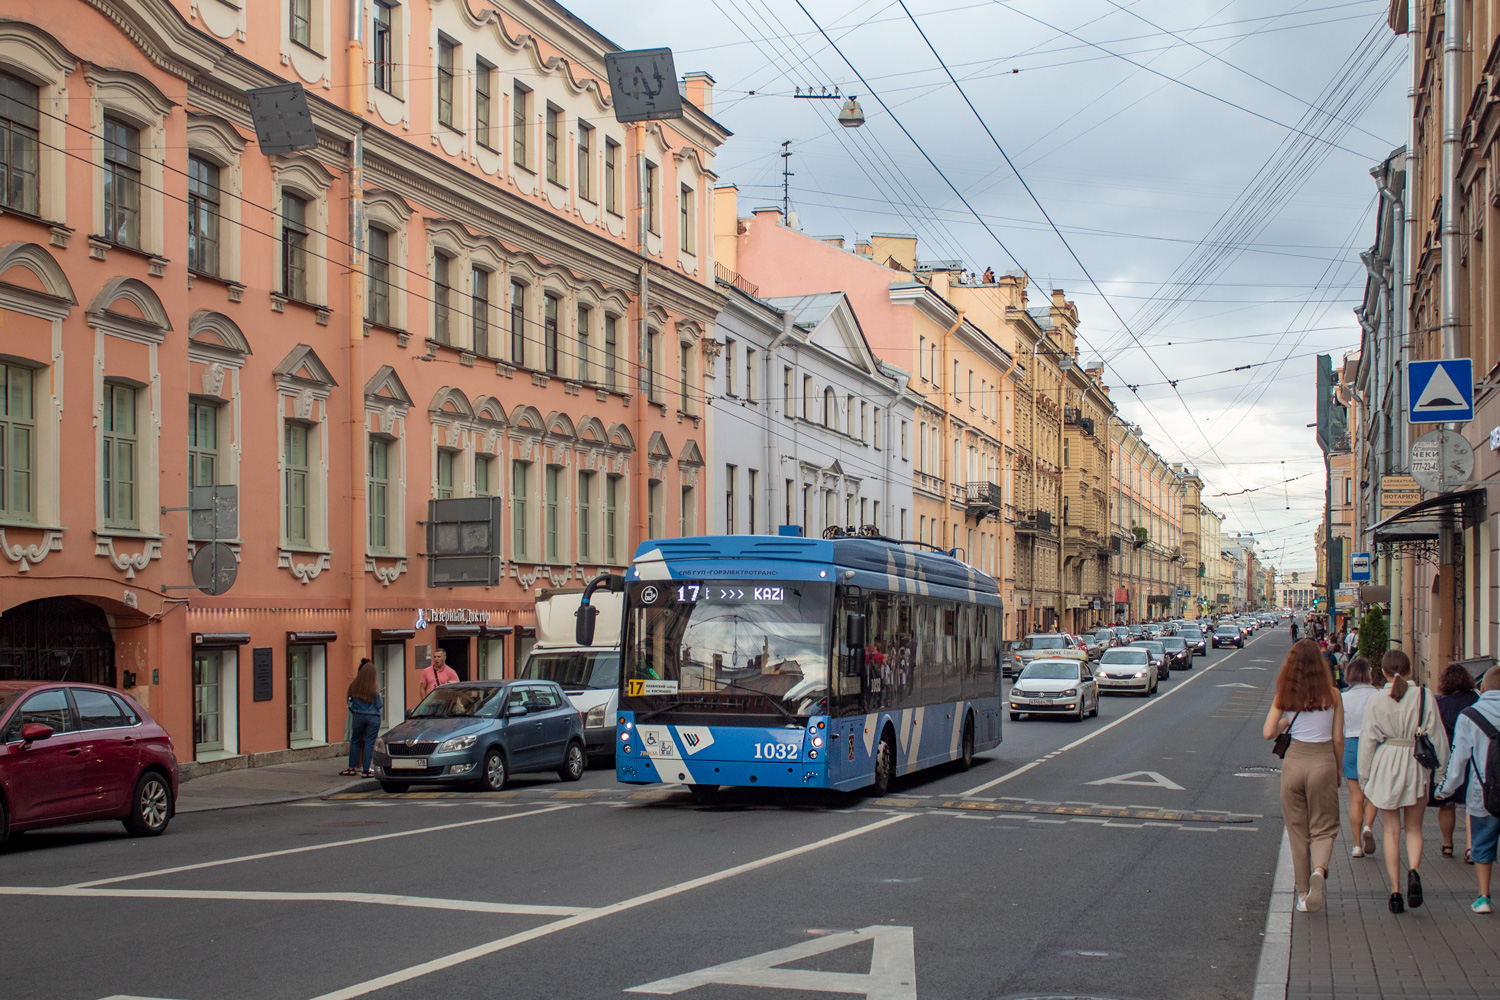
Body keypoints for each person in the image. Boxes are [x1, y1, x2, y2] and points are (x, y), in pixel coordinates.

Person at [1359, 649, 1451, 913]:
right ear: (1410, 670)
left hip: (1386, 761)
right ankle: (1413, 870)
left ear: (1384, 672)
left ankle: (1396, 892)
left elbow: (1367, 741)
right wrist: (1441, 773)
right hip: (1415, 762)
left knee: (1391, 831)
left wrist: (1364, 779)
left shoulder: (1376, 700)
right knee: (1414, 828)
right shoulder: (1424, 696)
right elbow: (1438, 737)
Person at [1263, 638, 1344, 913]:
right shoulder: (1333, 695)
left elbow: (1268, 733)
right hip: (1322, 762)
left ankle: (1302, 894)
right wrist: (1338, 768)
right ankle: (1319, 872)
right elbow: (1338, 738)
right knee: (1324, 827)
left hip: (1294, 763)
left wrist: (1287, 719)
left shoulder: (1285, 695)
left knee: (1297, 832)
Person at [1436, 666, 1500, 914]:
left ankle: (1483, 897)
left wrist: (1444, 790)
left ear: (1483, 688)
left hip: (1482, 794)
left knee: (1482, 845)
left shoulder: (1469, 716)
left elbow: (1458, 760)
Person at [1434, 664, 1481, 861]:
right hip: (1472, 756)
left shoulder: (1439, 703)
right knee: (1471, 805)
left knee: (1447, 804)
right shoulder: (1475, 699)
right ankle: (1470, 848)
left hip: (1447, 757)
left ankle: (1447, 845)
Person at [1340, 657, 1380, 857]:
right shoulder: (1378, 695)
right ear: (1368, 673)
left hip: (1351, 745)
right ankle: (1368, 826)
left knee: (1355, 799)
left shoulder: (1343, 697)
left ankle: (1356, 846)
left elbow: (1340, 728)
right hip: (1373, 745)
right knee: (1372, 794)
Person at [344, 658, 383, 778]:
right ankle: (366, 770)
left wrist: (356, 710)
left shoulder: (354, 686)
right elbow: (379, 705)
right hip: (373, 718)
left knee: (355, 741)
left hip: (358, 716)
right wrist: (379, 695)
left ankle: (352, 768)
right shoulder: (374, 688)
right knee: (369, 742)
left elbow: (349, 703)